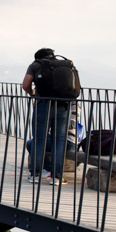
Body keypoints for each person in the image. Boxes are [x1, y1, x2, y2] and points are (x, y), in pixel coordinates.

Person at [23, 48, 74, 184]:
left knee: (39, 140)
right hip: (63, 106)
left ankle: (35, 175)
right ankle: (56, 177)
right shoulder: (66, 64)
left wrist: (32, 93)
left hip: (43, 105)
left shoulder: (36, 65)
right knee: (60, 141)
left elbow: (26, 85)